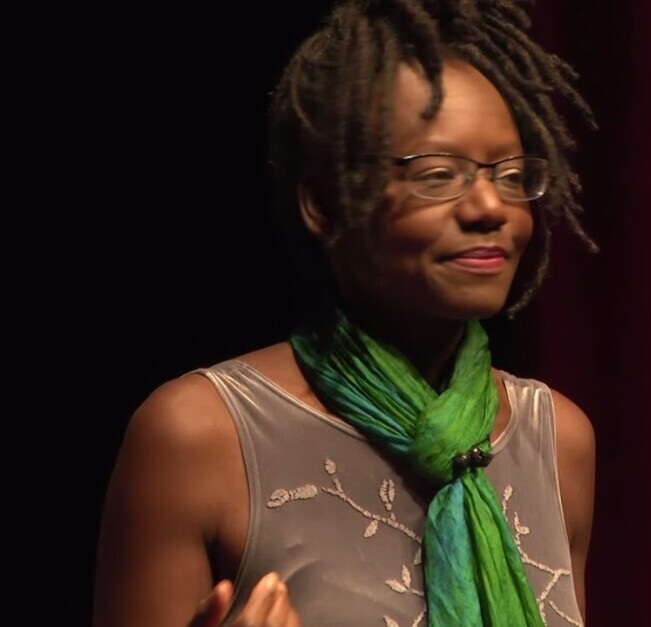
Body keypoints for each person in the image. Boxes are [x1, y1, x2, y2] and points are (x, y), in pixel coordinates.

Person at [92, 1, 598, 625]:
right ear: (323, 203)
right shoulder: (198, 437)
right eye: (439, 174)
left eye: (512, 175)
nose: (491, 207)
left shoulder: (557, 440)